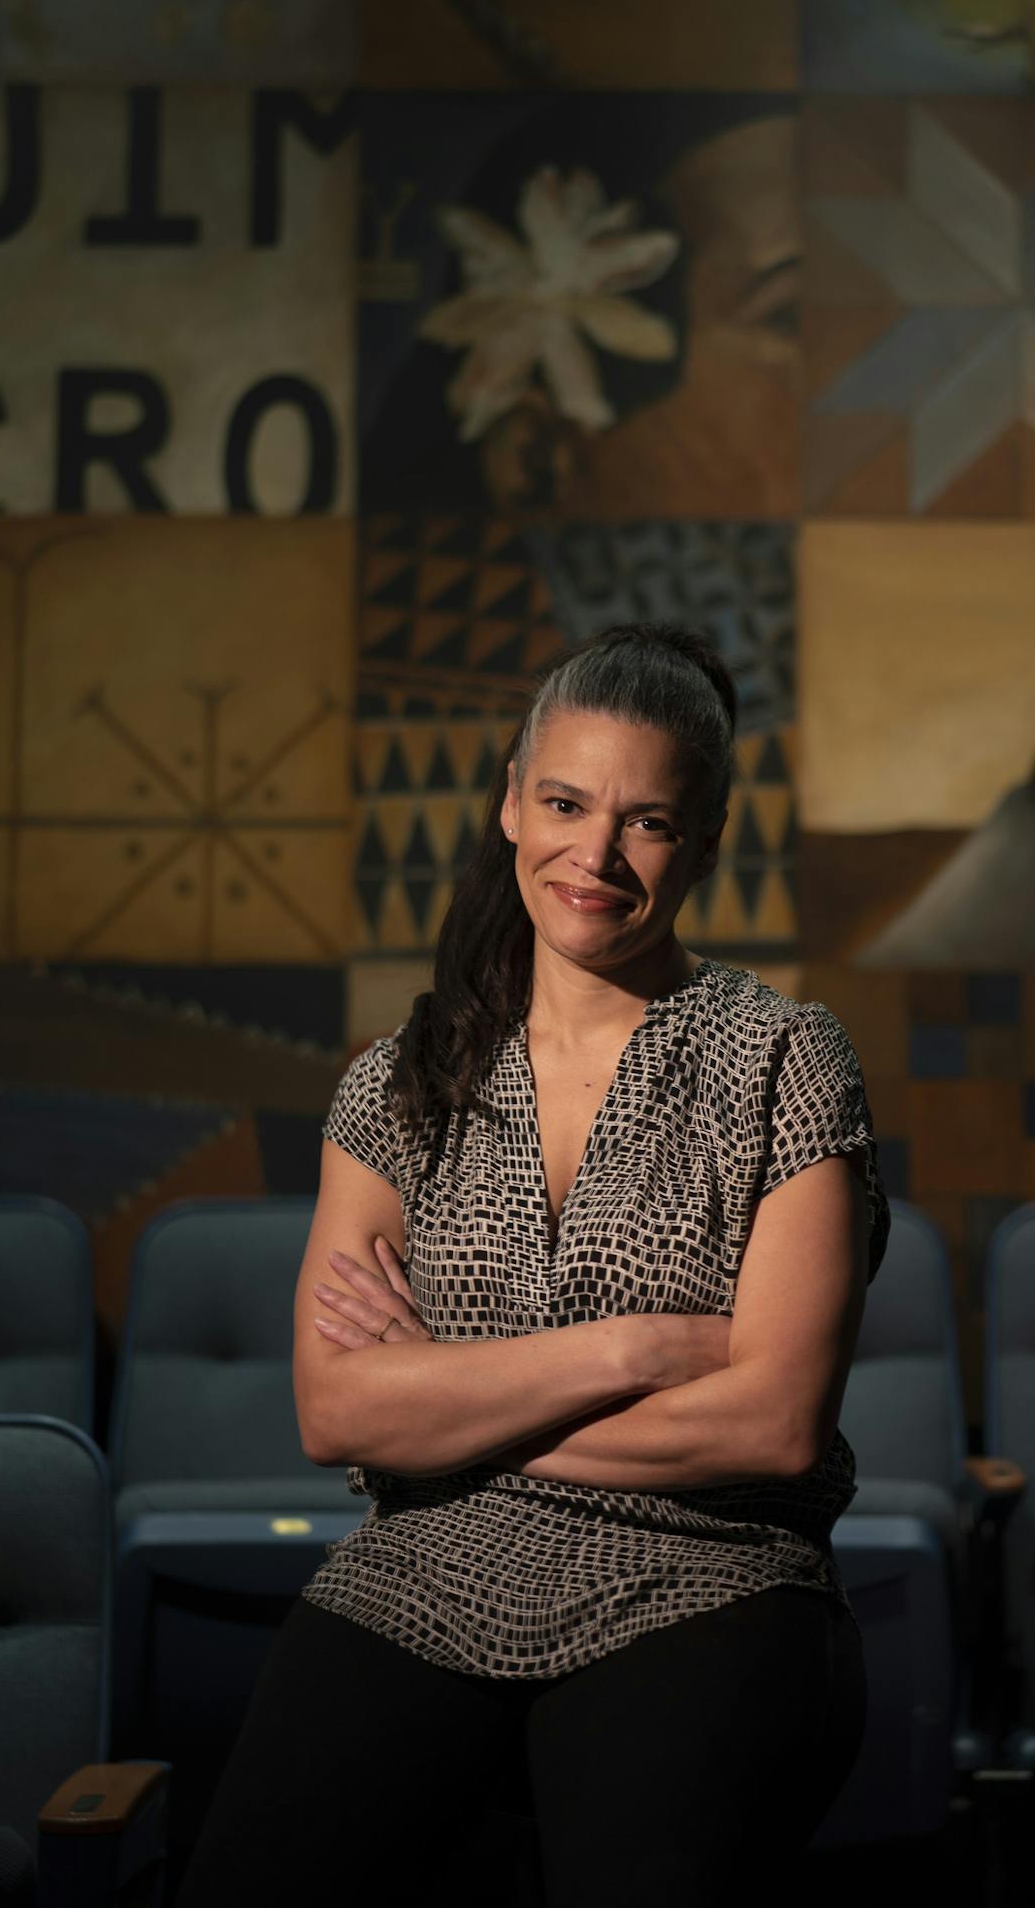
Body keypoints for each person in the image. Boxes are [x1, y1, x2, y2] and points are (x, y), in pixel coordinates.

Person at [173, 623, 890, 1907]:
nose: (595, 856)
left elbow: (776, 1424)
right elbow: (334, 1408)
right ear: (510, 804)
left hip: (704, 1579)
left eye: (648, 822)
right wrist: (628, 1351)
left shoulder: (783, 1057)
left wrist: (439, 1400)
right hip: (421, 1572)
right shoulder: (398, 1083)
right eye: (564, 803)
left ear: (705, 842)